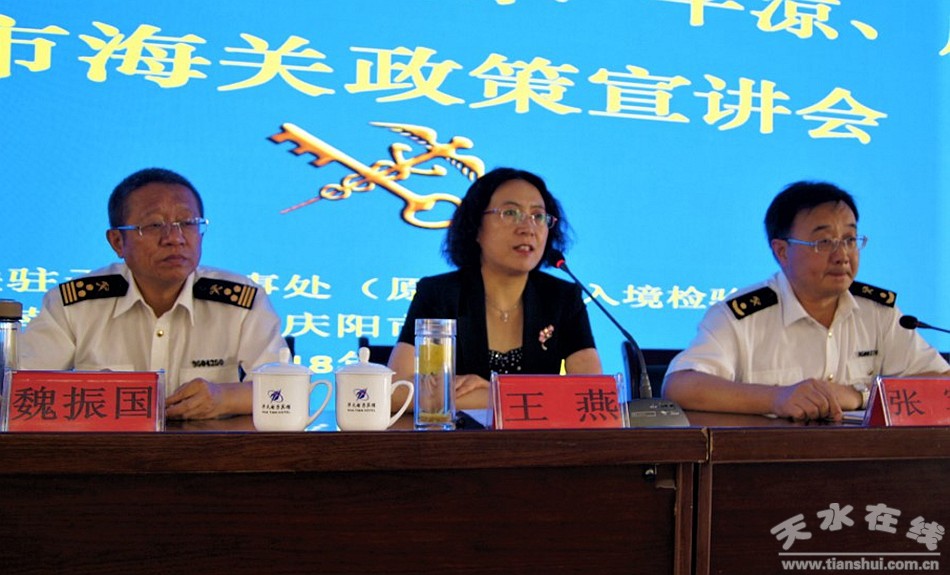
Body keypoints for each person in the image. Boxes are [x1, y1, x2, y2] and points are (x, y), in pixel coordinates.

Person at [662, 180, 950, 421]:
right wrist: (777, 398)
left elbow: (941, 382)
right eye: (823, 242)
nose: (842, 255)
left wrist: (860, 395)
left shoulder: (878, 312)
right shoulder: (740, 316)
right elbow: (680, 387)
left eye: (850, 239)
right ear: (782, 251)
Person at [19, 168, 287, 419]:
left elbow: (286, 390)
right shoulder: (72, 304)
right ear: (117, 242)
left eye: (188, 223)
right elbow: (20, 391)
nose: (175, 238)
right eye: (154, 225)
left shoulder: (241, 302)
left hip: (210, 451)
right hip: (105, 449)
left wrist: (223, 398)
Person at [388, 167, 602, 410]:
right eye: (510, 213)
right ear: (476, 227)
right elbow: (396, 392)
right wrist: (521, 399)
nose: (528, 228)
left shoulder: (562, 298)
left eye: (538, 216)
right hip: (459, 435)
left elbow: (591, 394)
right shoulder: (439, 294)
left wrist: (496, 392)